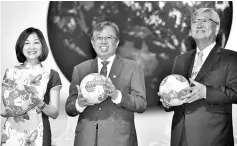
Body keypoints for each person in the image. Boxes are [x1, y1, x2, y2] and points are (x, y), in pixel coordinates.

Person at [158, 8, 237, 146]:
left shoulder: (230, 58)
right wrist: (167, 101)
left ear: (217, 29)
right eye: (195, 21)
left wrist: (205, 92)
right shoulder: (180, 59)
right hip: (180, 138)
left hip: (213, 139)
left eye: (204, 20)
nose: (199, 24)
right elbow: (174, 101)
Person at [65, 21, 147, 146]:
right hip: (86, 140)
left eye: (109, 37)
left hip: (119, 140)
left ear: (117, 42)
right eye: (99, 38)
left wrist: (116, 95)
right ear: (93, 43)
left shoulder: (133, 68)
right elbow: (69, 108)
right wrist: (79, 104)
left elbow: (141, 104)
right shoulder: (80, 69)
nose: (103, 41)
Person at [1, 27, 62, 146]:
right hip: (12, 134)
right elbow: (3, 110)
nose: (31, 47)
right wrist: (18, 104)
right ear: (21, 46)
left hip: (40, 135)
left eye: (36, 42)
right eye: (27, 43)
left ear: (42, 46)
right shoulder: (10, 72)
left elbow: (54, 113)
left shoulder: (51, 74)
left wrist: (40, 103)